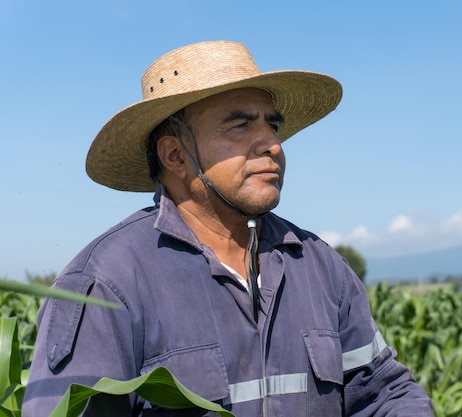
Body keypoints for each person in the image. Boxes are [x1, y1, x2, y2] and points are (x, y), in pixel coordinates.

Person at [23, 40, 435, 416]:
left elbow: (383, 393)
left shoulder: (319, 266)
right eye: (239, 125)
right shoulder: (106, 285)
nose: (271, 144)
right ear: (175, 156)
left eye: (271, 125)